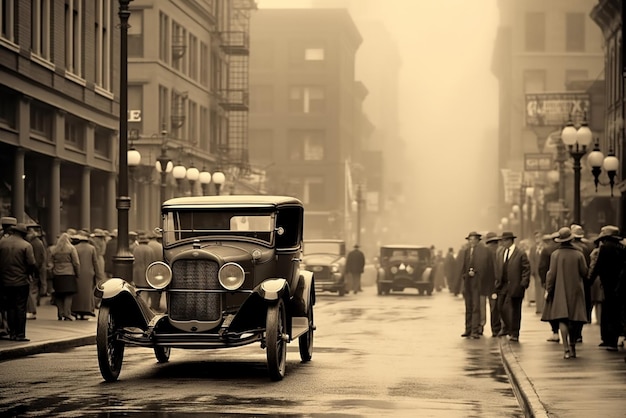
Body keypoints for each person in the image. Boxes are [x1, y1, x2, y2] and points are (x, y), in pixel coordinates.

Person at [541, 227, 588, 359]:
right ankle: (573, 347)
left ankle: (566, 348)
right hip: (576, 291)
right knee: (575, 319)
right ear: (571, 239)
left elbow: (551, 275)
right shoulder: (579, 254)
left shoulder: (555, 255)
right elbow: (584, 272)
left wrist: (548, 290)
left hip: (560, 291)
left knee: (563, 319)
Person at [587, 225, 626, 352]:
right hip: (620, 285)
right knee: (617, 311)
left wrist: (589, 281)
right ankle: (616, 338)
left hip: (608, 284)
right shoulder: (621, 248)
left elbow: (597, 266)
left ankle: (610, 340)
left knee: (609, 312)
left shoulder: (604, 248)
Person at [0, 223, 37, 341]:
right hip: (21, 281)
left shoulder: (2, 243)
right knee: (20, 307)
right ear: (23, 234)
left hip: (5, 281)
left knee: (10, 307)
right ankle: (20, 334)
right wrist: (30, 275)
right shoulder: (26, 245)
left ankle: (12, 333)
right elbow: (31, 263)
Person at [456, 231, 495, 339]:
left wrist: (476, 272)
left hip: (478, 282)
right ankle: (468, 329)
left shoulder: (483, 251)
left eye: (473, 239)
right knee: (468, 306)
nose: (471, 241)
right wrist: (465, 274)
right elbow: (463, 266)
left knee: (476, 307)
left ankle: (475, 330)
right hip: (468, 282)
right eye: (470, 239)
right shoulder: (466, 251)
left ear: (478, 240)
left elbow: (485, 267)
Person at [494, 231, 530, 342]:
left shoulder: (520, 253)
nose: (502, 243)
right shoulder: (501, 252)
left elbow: (526, 268)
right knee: (500, 307)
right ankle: (507, 328)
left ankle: (515, 332)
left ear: (510, 240)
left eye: (504, 240)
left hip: (516, 285)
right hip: (503, 285)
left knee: (515, 310)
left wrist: (523, 283)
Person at [571, 224, 594, 342]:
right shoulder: (587, 247)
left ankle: (573, 335)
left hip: (571, 282)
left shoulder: (571, 248)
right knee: (582, 307)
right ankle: (578, 333)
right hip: (583, 281)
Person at [50, 232, 80, 321]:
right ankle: (67, 314)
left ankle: (60, 313)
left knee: (58, 294)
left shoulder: (54, 249)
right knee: (68, 295)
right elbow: (76, 262)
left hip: (57, 274)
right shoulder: (71, 248)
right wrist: (77, 273)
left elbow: (50, 263)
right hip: (69, 273)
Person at [538, 232, 561, 343]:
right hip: (566, 283)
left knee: (551, 307)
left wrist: (544, 282)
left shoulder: (547, 250)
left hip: (551, 282)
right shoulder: (572, 249)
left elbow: (542, 267)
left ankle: (555, 332)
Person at [71, 233, 99, 320]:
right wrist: (97, 273)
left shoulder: (75, 248)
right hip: (88, 273)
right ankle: (86, 309)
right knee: (87, 292)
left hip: (78, 272)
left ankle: (76, 310)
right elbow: (95, 261)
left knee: (78, 292)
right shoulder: (92, 248)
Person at [133, 233, 161, 310]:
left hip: (136, 272)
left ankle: (139, 306)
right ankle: (145, 307)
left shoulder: (136, 248)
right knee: (146, 291)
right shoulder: (149, 250)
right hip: (145, 272)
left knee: (139, 291)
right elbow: (150, 263)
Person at [25, 226, 47, 320]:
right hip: (37, 269)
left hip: (32, 269)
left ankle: (31, 310)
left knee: (31, 290)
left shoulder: (29, 243)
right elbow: (42, 257)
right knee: (34, 289)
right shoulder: (39, 243)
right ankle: (32, 308)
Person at [0, 216, 17, 337]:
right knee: (11, 305)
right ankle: (8, 327)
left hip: (2, 275)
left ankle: (4, 325)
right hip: (13, 276)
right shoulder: (16, 240)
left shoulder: (1, 239)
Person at [484, 232, 502, 337]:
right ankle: (497, 328)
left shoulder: (489, 253)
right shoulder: (498, 253)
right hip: (494, 285)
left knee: (495, 307)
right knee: (496, 307)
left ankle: (496, 329)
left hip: (493, 286)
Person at [528, 231, 545, 315]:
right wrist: (533, 271)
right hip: (537, 272)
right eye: (536, 237)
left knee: (544, 289)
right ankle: (539, 308)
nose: (537, 239)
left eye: (538, 237)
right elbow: (531, 260)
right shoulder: (533, 248)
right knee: (538, 289)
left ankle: (544, 307)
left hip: (545, 271)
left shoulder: (545, 247)